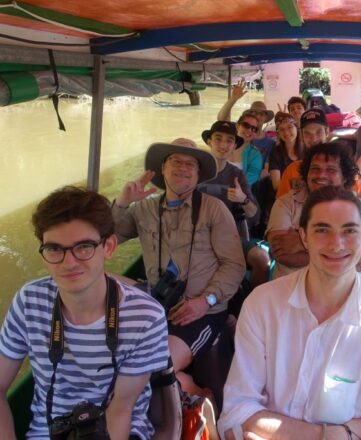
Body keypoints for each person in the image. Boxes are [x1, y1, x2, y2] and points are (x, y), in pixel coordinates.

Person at [218, 186, 361, 440]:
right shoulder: (262, 304)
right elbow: (236, 412)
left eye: (349, 231)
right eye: (322, 230)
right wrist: (336, 434)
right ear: (304, 237)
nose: (336, 244)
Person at [0, 186, 169, 439]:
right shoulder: (29, 302)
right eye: (55, 249)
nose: (69, 263)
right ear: (43, 253)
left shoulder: (146, 317)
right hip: (47, 430)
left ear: (108, 246)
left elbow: (121, 409)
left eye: (84, 247)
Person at [112, 140, 245, 396]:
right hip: (157, 303)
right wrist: (122, 202)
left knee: (157, 368)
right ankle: (180, 382)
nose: (183, 168)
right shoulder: (145, 208)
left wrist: (205, 301)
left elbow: (235, 265)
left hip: (202, 311)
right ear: (163, 168)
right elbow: (106, 238)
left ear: (198, 174)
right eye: (176, 161)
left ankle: (200, 394)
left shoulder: (214, 209)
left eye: (190, 164)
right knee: (101, 279)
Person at [267, 142, 361, 280]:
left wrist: (300, 243)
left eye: (331, 169)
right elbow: (281, 254)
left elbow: (359, 259)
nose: (321, 175)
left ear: (344, 177)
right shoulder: (285, 203)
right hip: (291, 287)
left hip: (349, 289)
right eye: (315, 169)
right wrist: (340, 257)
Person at [198, 124, 270, 289]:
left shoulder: (237, 175)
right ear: (209, 142)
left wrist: (243, 199)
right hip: (197, 236)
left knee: (262, 260)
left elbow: (255, 216)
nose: (223, 145)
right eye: (218, 139)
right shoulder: (196, 170)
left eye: (229, 141)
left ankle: (249, 300)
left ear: (234, 146)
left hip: (229, 238)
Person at [275, 108, 330, 199]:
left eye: (318, 132)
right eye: (307, 133)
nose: (314, 139)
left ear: (327, 132)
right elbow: (281, 203)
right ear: (302, 135)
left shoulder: (340, 167)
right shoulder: (292, 170)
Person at [217, 80, 276, 163]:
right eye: (254, 113)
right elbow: (221, 119)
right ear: (249, 115)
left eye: (261, 114)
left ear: (266, 118)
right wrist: (233, 99)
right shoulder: (239, 129)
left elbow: (267, 167)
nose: (258, 116)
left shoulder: (270, 143)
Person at [268, 112, 303, 190]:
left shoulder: (307, 150)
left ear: (296, 128)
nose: (286, 133)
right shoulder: (275, 153)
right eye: (281, 129)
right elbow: (276, 185)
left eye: (289, 127)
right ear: (278, 133)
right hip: (285, 195)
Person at [231, 112, 264, 187]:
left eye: (254, 129)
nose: (249, 130)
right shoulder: (225, 145)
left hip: (239, 192)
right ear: (237, 126)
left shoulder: (255, 155)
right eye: (246, 125)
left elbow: (247, 182)